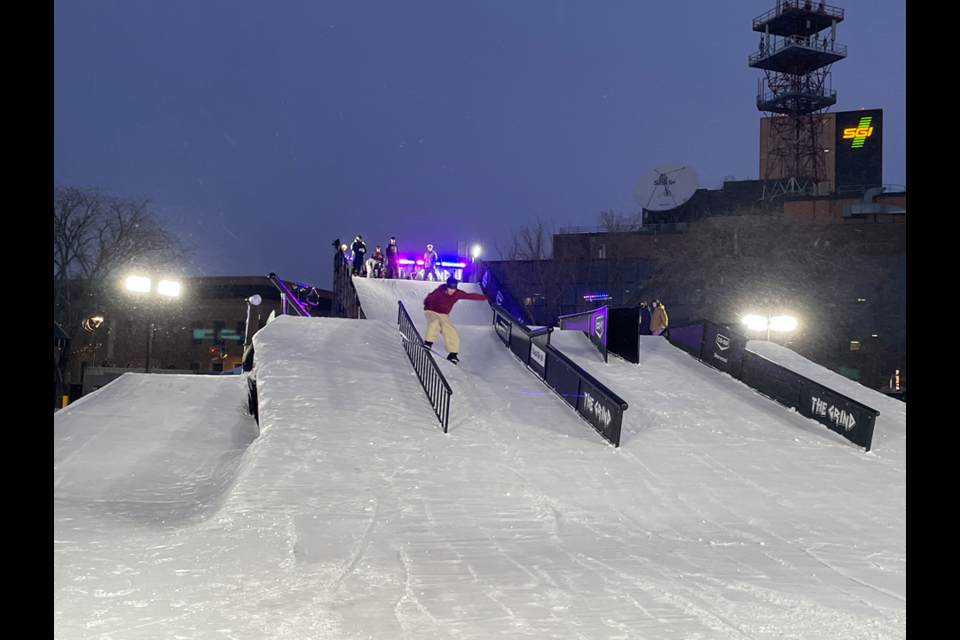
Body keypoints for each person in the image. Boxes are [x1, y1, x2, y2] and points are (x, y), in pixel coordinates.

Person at [423, 277, 487, 364]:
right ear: (446, 287)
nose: (452, 291)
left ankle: (453, 354)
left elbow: (469, 295)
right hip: (431, 311)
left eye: (454, 289)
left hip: (444, 315)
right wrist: (427, 302)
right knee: (435, 323)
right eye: (450, 289)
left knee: (450, 330)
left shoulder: (457, 293)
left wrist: (485, 297)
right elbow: (430, 297)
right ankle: (428, 342)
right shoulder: (439, 291)